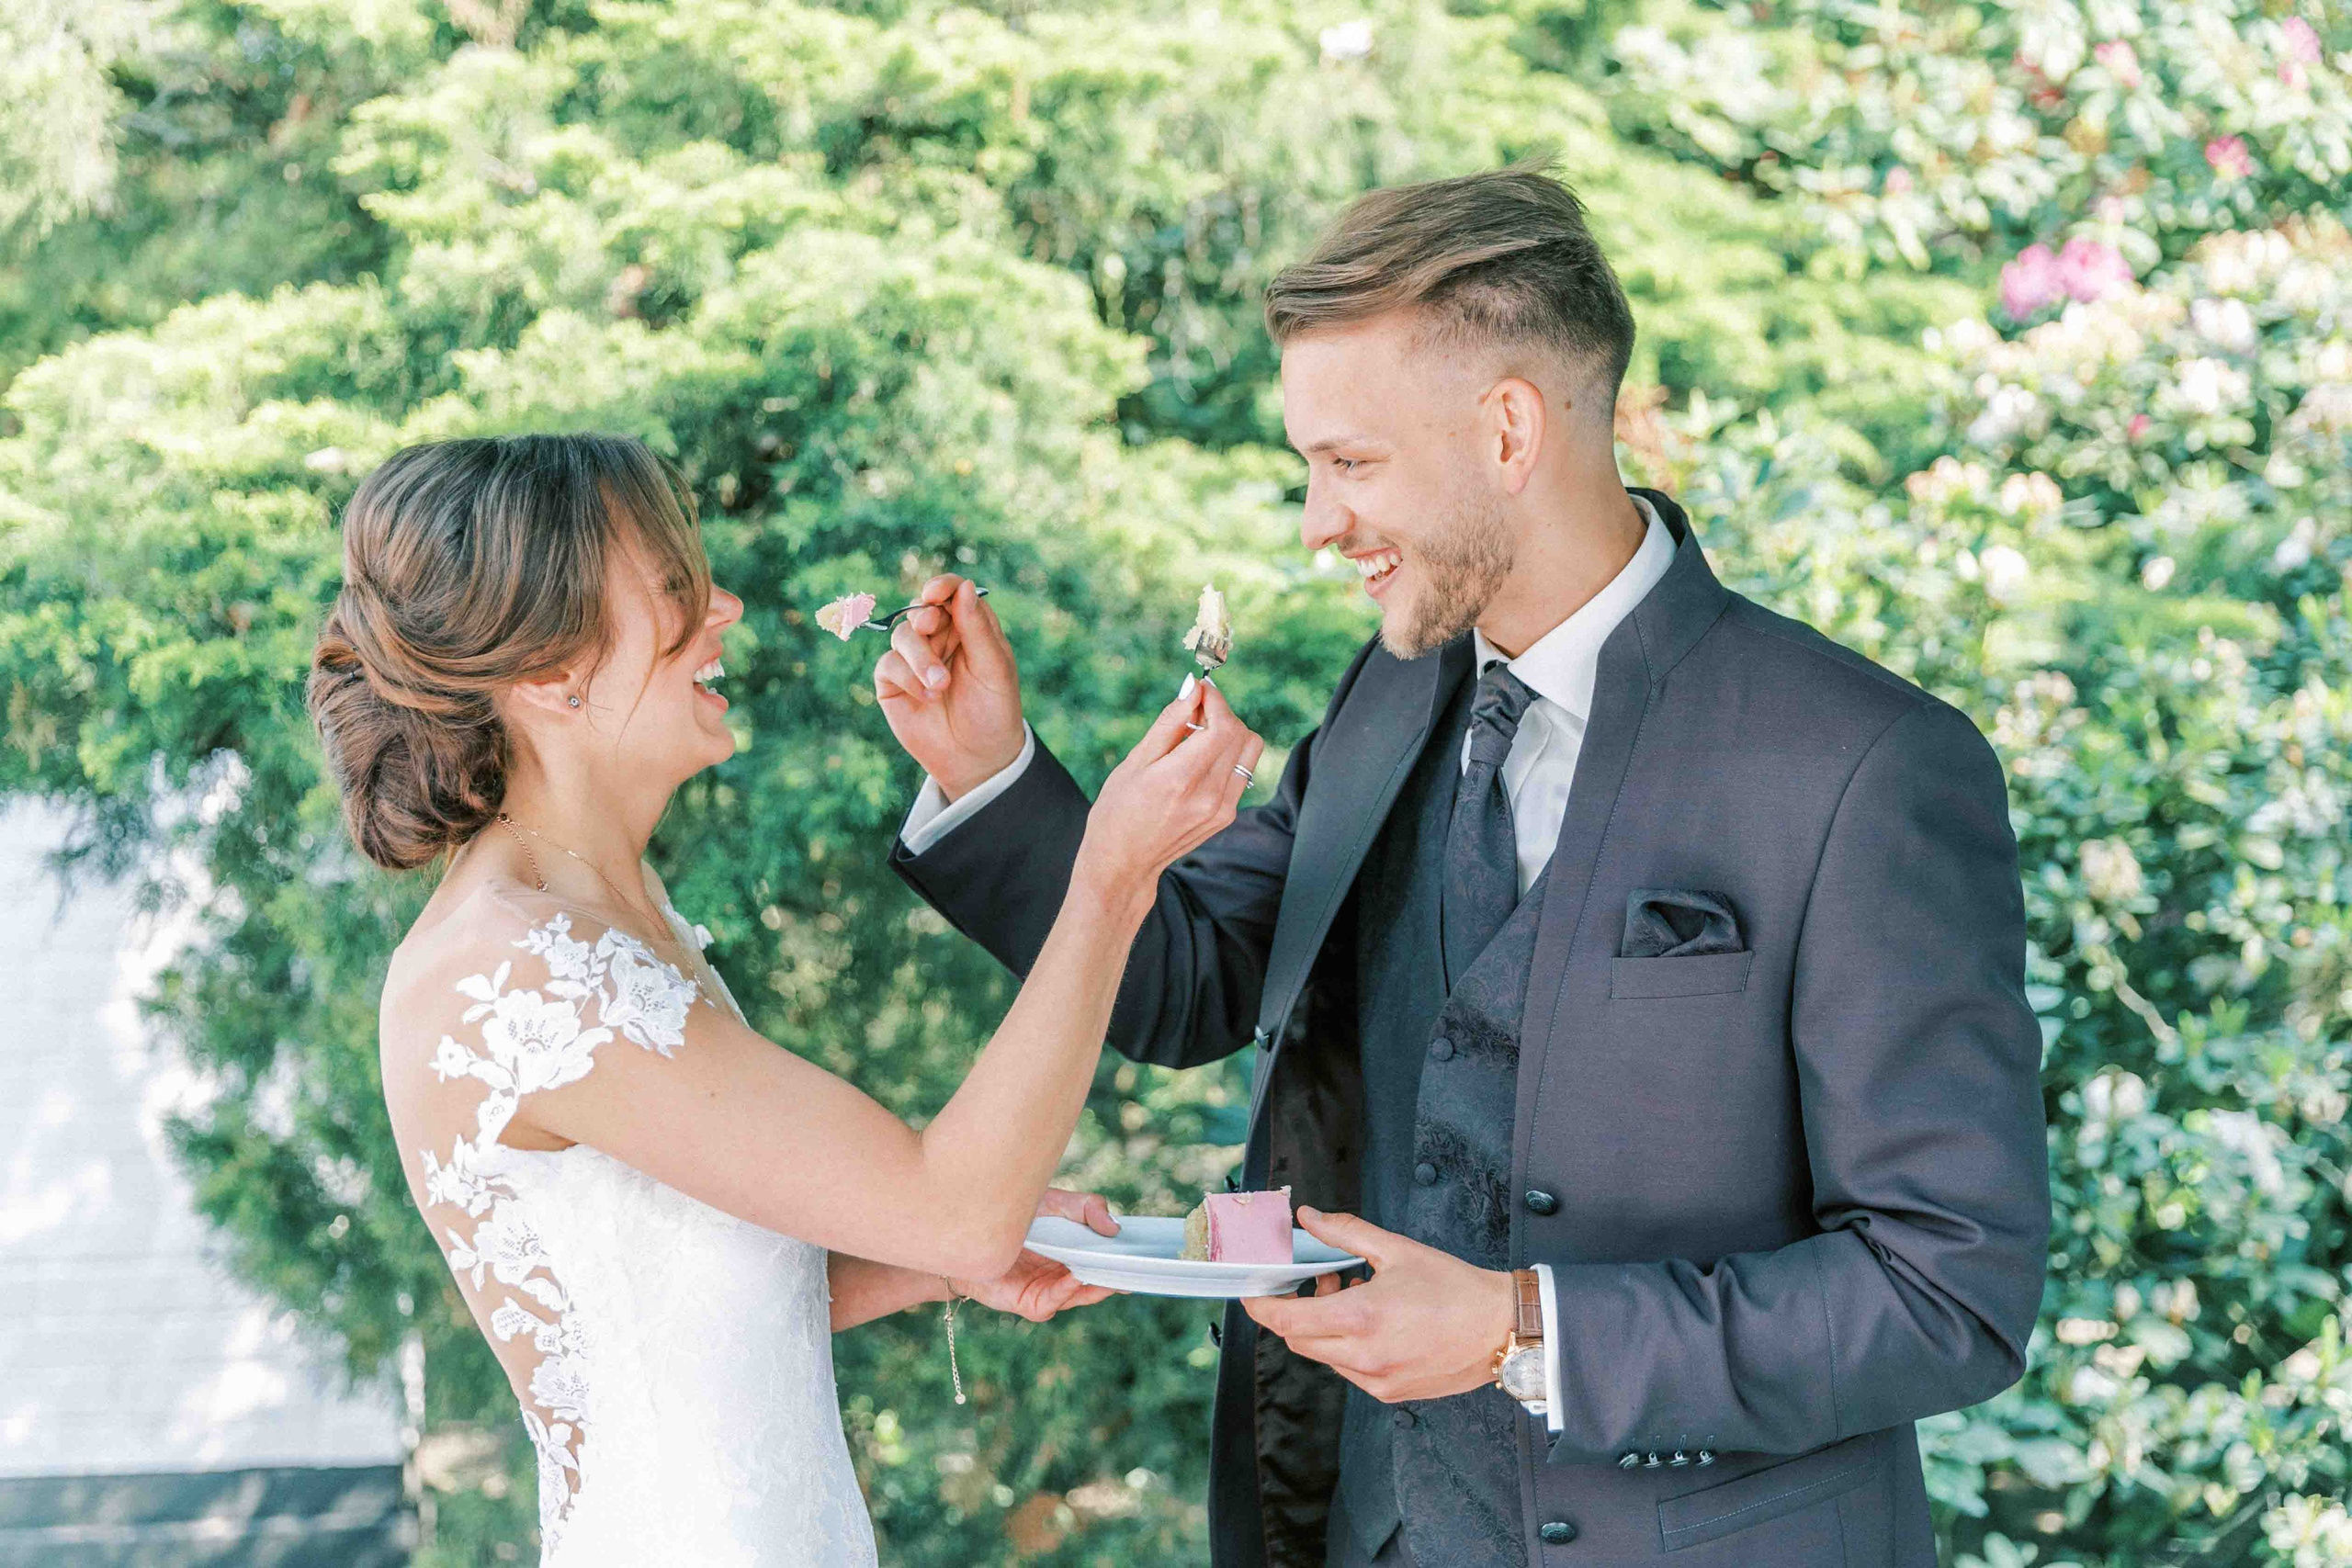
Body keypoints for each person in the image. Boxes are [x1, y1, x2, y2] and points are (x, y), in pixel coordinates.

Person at [878, 166, 2051, 1567]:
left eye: (1351, 463)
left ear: (1508, 430)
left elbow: (1948, 1289)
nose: (1318, 522)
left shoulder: (1863, 762)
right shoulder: (1390, 698)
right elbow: (1187, 980)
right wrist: (989, 772)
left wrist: (1519, 1325)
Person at [309, 432, 1266, 1566]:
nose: (725, 607)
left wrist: (925, 1266)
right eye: (672, 588)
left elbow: (664, 1324)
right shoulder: (520, 970)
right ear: (550, 675)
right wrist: (1112, 876)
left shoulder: (605, 918)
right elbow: (953, 1200)